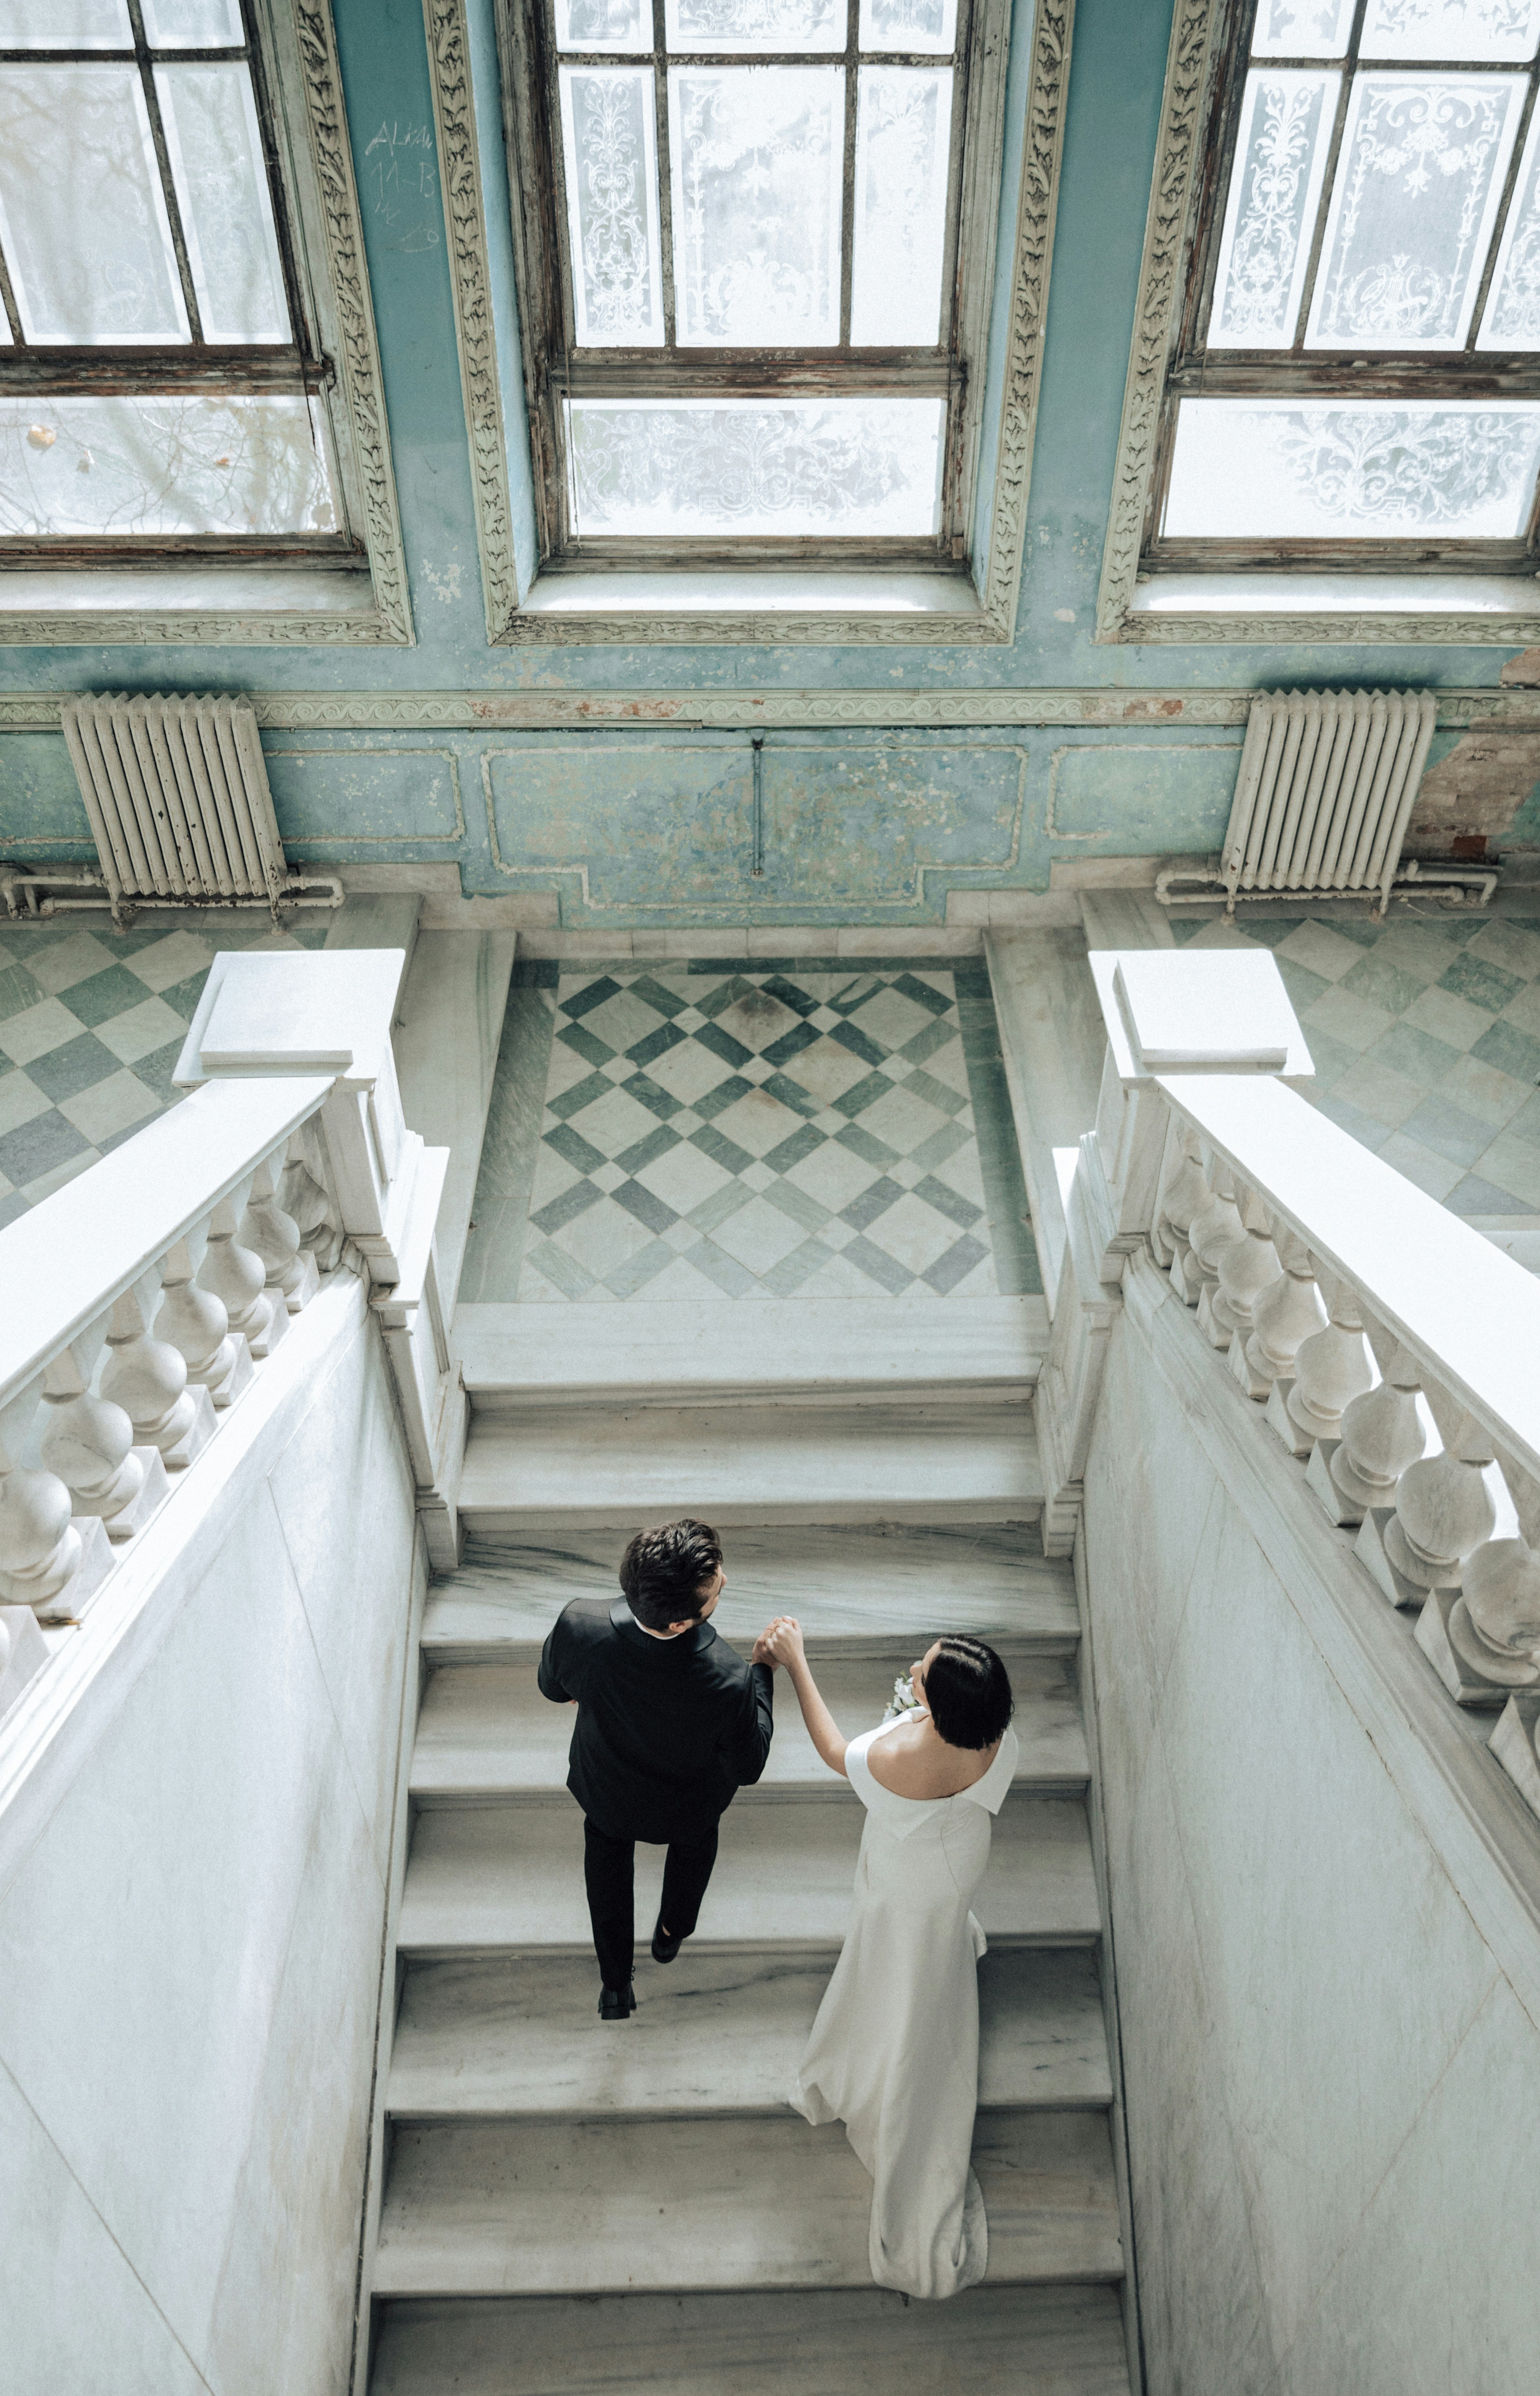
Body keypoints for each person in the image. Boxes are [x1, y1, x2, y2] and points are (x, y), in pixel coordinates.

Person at [758, 1617, 1017, 2300]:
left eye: (921, 1675)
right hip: (960, 1861)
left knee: (898, 1955)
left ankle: (887, 2037)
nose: (912, 1669)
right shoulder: (998, 1735)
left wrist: (797, 1661)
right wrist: (916, 1711)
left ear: (940, 1705)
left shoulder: (899, 1760)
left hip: (910, 1879)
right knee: (937, 1939)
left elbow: (835, 1749)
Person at [538, 1517, 773, 2021]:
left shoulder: (579, 1624)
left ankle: (616, 1985)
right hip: (687, 1808)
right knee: (694, 1853)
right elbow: (748, 1765)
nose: (725, 1583)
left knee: (605, 1867)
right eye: (714, 1591)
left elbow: (553, 1687)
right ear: (678, 1624)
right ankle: (670, 1935)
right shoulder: (730, 1678)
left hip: (607, 1791)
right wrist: (763, 1676)